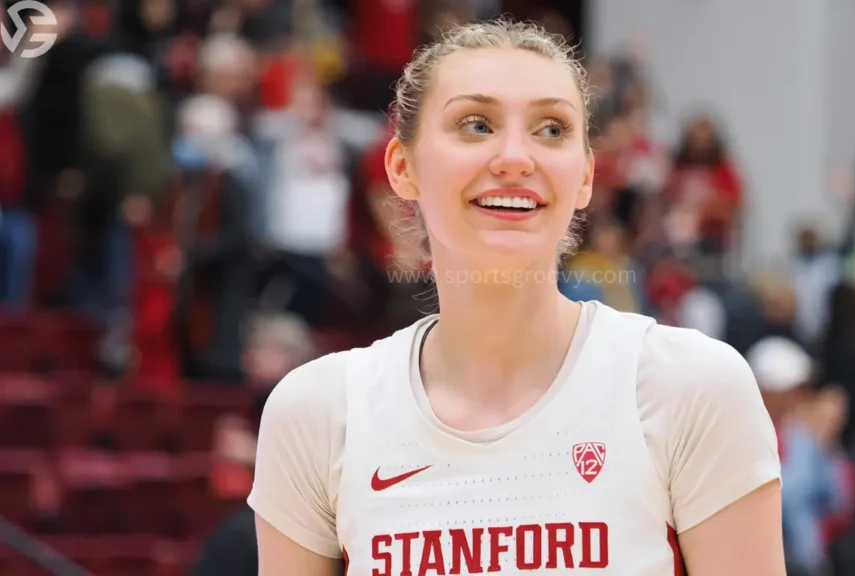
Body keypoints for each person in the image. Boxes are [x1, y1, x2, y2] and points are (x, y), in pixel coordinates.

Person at [248, 19, 783, 575]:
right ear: (403, 168)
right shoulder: (317, 414)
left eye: (552, 129)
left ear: (585, 177)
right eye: (476, 124)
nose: (515, 157)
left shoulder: (690, 388)